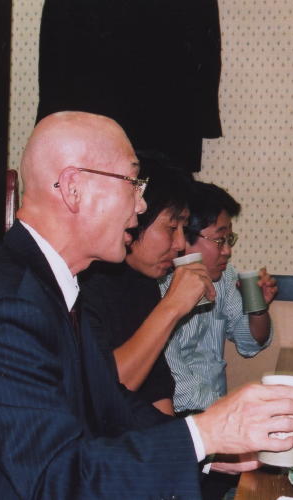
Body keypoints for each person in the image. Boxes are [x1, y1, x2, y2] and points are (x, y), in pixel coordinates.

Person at [0, 111, 293, 499]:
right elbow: (56, 480)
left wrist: (207, 448)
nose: (141, 205)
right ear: (73, 188)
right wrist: (203, 435)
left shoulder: (52, 285)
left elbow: (111, 405)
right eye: (133, 183)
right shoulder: (4, 309)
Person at [81, 158, 212, 416]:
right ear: (136, 215)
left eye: (183, 229)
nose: (180, 244)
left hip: (141, 432)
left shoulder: (143, 281)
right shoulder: (86, 281)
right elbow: (105, 390)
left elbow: (157, 394)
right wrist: (172, 307)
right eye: (172, 227)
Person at [161, 182, 278, 415]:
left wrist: (258, 308)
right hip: (176, 415)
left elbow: (250, 343)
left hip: (215, 408)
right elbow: (179, 388)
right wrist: (238, 411)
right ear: (184, 236)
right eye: (219, 240)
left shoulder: (224, 276)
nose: (227, 251)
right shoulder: (157, 285)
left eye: (229, 239)